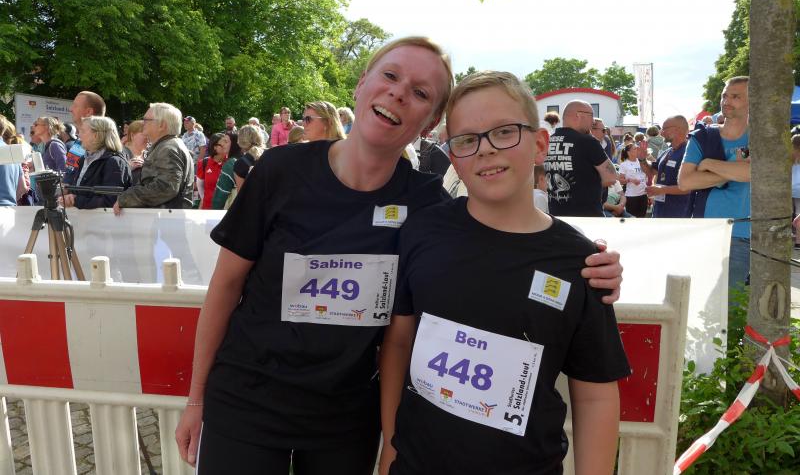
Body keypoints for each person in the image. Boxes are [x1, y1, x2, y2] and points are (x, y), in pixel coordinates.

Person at [174, 37, 625, 474]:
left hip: (346, 417)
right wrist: (196, 398)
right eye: (390, 76)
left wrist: (588, 263)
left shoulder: (426, 205)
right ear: (361, 84)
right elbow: (225, 285)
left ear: (430, 124)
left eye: (421, 93)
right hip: (247, 400)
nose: (399, 93)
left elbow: (503, 233)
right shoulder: (281, 170)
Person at [379, 71, 629, 475]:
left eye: (504, 132)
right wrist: (390, 447)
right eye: (467, 139)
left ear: (540, 144)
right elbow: (399, 342)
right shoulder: (423, 232)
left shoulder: (581, 263)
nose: (486, 149)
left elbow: (595, 393)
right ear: (453, 155)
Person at [679, 76, 750, 293]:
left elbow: (751, 173)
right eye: (724, 95)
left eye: (735, 96)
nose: (726, 101)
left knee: (730, 305)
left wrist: (709, 164)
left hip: (742, 233)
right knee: (699, 300)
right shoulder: (703, 136)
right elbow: (685, 181)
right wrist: (733, 171)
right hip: (705, 230)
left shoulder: (762, 138)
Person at [113, 103, 195, 213]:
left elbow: (166, 187)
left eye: (146, 120)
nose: (143, 123)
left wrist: (126, 198)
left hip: (164, 219)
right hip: (165, 217)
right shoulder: (168, 145)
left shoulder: (168, 148)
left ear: (162, 125)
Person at [544, 100, 617, 216]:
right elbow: (611, 178)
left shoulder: (548, 141)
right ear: (579, 115)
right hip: (587, 217)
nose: (593, 121)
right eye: (591, 115)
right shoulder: (588, 141)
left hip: (557, 215)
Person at [60, 116, 131, 209]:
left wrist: (76, 200)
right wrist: (68, 196)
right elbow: (81, 192)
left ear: (96, 135)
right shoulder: (83, 159)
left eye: (83, 131)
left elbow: (110, 201)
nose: (79, 135)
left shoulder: (114, 162)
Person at [641, 115, 691, 218]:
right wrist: (642, 159)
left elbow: (690, 187)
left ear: (677, 129)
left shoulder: (690, 152)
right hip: (660, 211)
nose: (661, 133)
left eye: (664, 129)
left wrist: (662, 190)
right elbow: (651, 171)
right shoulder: (667, 151)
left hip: (678, 214)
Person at [65, 91, 106, 185]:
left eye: (75, 106)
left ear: (88, 112)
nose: (70, 109)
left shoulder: (105, 146)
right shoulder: (79, 142)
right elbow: (68, 173)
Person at [196, 132, 229, 210]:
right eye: (224, 142)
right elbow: (200, 187)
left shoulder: (231, 163)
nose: (227, 145)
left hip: (225, 209)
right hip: (208, 209)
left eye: (227, 142)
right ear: (215, 147)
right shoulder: (203, 163)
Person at [211, 132, 243, 209]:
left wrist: (214, 210)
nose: (222, 144)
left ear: (234, 144)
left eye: (226, 141)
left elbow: (221, 193)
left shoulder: (231, 164)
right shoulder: (243, 160)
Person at [617, 145, 648, 217]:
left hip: (643, 194)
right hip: (631, 196)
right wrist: (630, 180)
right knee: (632, 219)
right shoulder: (624, 164)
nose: (637, 150)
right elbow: (620, 180)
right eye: (635, 149)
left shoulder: (642, 161)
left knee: (642, 218)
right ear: (629, 152)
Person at [124, 120, 148, 185]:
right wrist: (127, 167)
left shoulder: (151, 154)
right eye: (144, 134)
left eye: (149, 134)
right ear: (132, 135)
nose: (148, 137)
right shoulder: (121, 154)